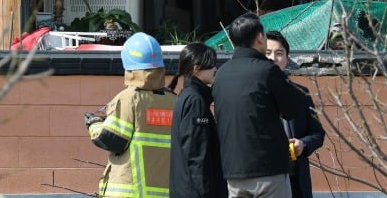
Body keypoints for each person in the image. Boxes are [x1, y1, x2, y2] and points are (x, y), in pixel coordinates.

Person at [212, 13, 307, 198]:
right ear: (260, 38)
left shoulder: (221, 75)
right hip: (268, 170)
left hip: (233, 172)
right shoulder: (267, 70)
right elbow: (292, 110)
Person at [85, 32, 177, 198]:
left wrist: (94, 124)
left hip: (130, 190)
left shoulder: (129, 98)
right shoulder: (173, 100)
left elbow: (113, 140)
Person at [265, 31, 325, 198]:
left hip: (295, 178)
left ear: (287, 58)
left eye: (279, 53)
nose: (273, 58)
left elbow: (318, 133)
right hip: (264, 180)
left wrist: (303, 144)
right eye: (267, 53)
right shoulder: (252, 93)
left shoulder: (300, 93)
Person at [168, 42, 227, 198]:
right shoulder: (195, 100)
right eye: (211, 65)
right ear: (196, 69)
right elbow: (197, 154)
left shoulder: (187, 96)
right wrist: (206, 192)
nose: (215, 69)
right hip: (196, 192)